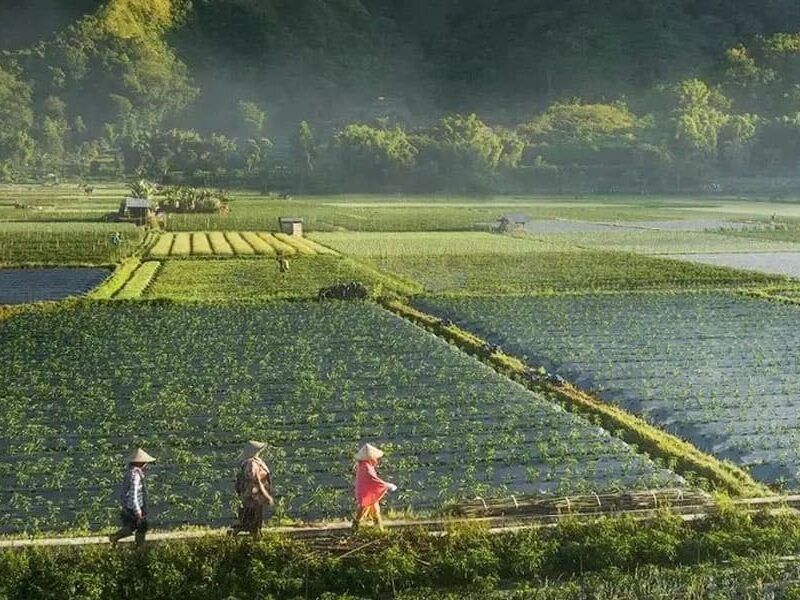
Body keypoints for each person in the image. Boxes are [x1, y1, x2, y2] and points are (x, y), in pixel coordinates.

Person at [109, 448, 155, 547]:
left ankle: (118, 538)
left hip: (130, 506)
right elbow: (133, 494)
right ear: (140, 463)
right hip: (135, 506)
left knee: (133, 526)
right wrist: (137, 511)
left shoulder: (130, 472)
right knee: (141, 526)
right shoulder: (135, 475)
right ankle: (139, 547)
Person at [231, 440, 274, 538]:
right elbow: (256, 480)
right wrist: (266, 495)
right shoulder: (251, 463)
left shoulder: (255, 461)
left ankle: (254, 538)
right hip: (253, 496)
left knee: (254, 520)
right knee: (252, 520)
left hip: (255, 496)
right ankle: (253, 538)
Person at [353, 444, 397, 530]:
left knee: (375, 510)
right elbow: (373, 479)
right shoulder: (366, 466)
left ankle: (379, 529)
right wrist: (387, 485)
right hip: (366, 492)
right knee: (363, 509)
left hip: (368, 491)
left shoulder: (364, 465)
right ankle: (355, 527)